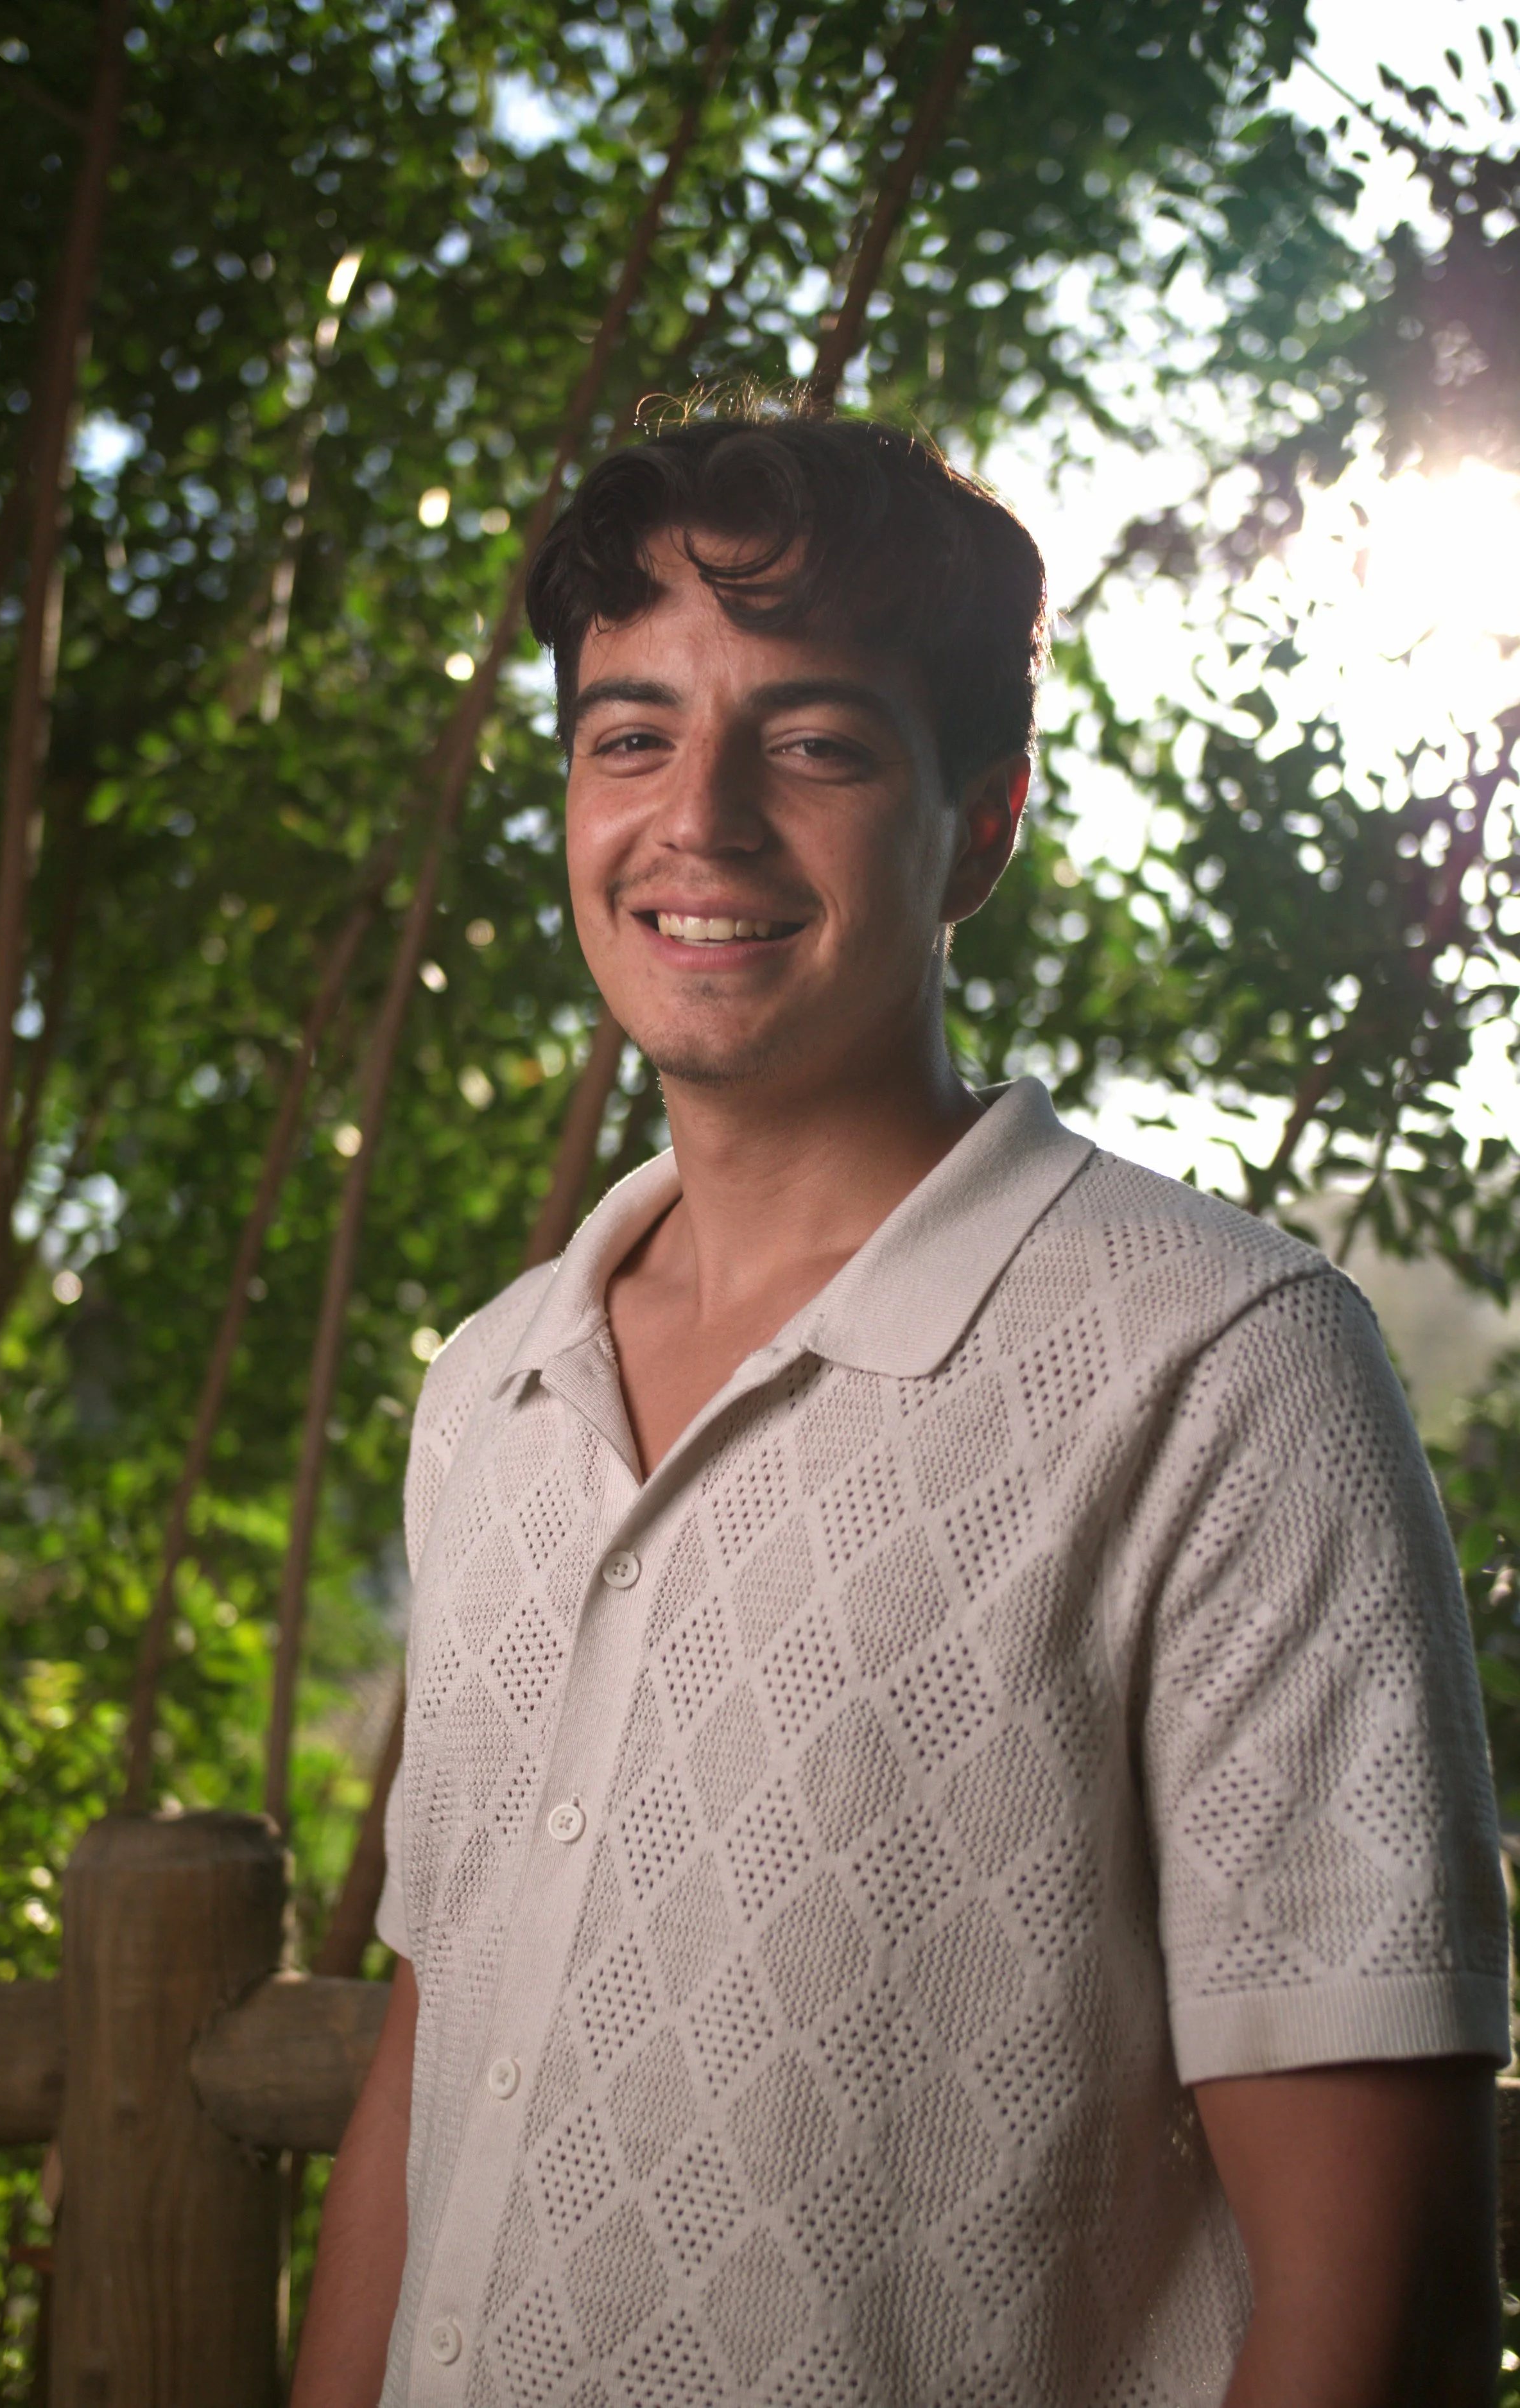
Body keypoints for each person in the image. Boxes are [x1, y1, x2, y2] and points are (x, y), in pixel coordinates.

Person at [291, 406, 1508, 2408]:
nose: (701, 818)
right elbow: (444, 2043)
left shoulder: (1223, 1364)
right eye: (628, 735)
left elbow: (1371, 2305)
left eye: (817, 740)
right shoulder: (490, 1383)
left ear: (984, 819)